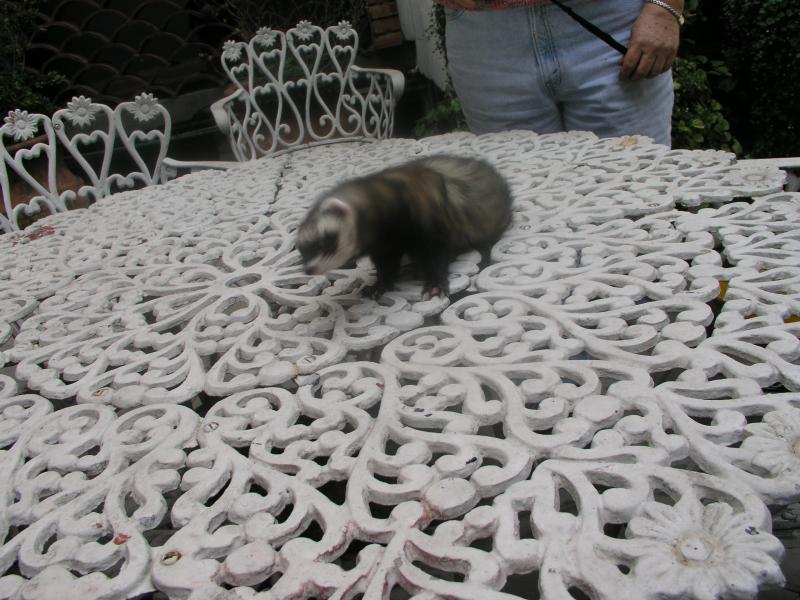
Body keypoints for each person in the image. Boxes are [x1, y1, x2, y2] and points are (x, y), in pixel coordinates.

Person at [439, 0, 683, 146]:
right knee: (524, 203)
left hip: (610, 23)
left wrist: (665, 7)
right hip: (485, 38)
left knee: (633, 194)